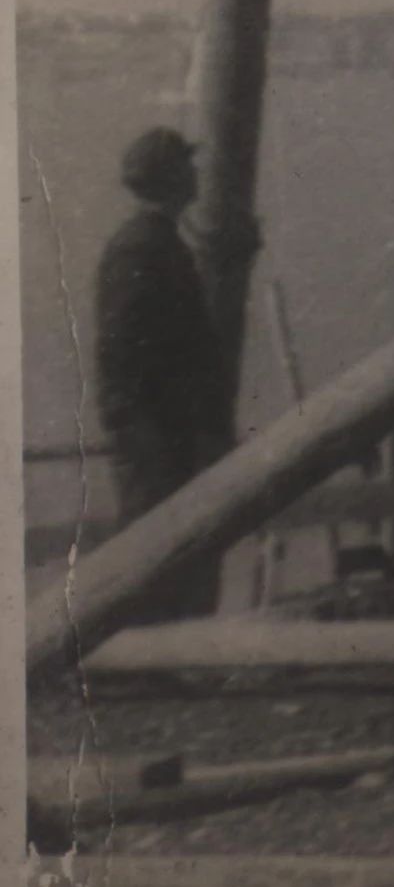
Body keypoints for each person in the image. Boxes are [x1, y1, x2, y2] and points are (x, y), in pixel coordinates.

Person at [94, 127, 230, 618]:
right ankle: (139, 645)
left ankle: (160, 639)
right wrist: (143, 431)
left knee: (168, 553)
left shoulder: (159, 241)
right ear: (171, 178)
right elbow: (120, 355)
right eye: (187, 166)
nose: (197, 174)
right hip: (151, 434)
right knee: (149, 550)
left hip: (167, 431)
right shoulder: (141, 248)